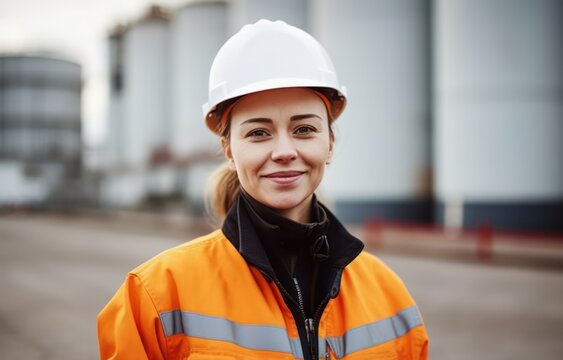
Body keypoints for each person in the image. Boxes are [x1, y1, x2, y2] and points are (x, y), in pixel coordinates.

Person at [97, 19, 429, 360]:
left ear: (329, 143)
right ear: (228, 150)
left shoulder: (390, 297)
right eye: (258, 133)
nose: (284, 150)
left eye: (303, 129)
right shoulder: (158, 295)